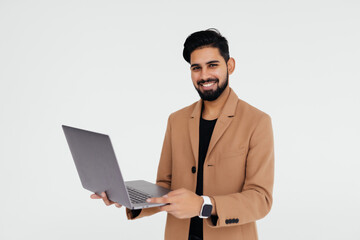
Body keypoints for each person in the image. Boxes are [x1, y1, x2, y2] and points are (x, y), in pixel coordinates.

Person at [91, 29, 274, 240]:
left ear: (230, 66)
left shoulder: (257, 122)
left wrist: (203, 205)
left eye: (212, 65)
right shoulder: (176, 120)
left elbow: (261, 200)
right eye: (196, 68)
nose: (204, 76)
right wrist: (128, 199)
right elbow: (165, 188)